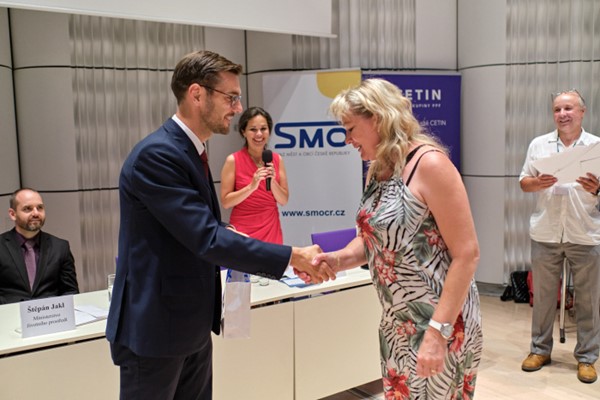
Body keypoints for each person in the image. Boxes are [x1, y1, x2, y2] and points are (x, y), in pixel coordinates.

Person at [105, 50, 335, 400]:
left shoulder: (189, 150)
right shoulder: (158, 155)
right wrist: (292, 256)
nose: (238, 108)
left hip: (189, 325)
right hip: (156, 329)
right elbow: (206, 238)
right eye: (231, 97)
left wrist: (229, 233)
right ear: (197, 94)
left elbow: (195, 227)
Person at [311, 78, 483, 399]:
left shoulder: (430, 164)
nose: (347, 140)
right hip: (397, 323)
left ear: (377, 118)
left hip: (440, 323)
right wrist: (338, 259)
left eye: (351, 129)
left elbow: (467, 254)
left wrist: (437, 333)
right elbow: (376, 240)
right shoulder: (378, 169)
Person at [519, 89, 600, 384]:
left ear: (582, 112)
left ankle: (587, 358)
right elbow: (523, 182)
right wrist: (537, 182)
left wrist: (597, 189)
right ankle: (539, 350)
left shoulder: (596, 146)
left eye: (568, 108)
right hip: (546, 232)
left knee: (588, 300)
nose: (562, 114)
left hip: (585, 232)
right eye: (557, 109)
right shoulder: (538, 144)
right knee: (543, 298)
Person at [220, 106, 288, 244]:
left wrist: (272, 182)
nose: (259, 134)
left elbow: (284, 200)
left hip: (271, 230)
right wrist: (251, 187)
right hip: (243, 231)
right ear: (243, 132)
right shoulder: (233, 160)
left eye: (263, 129)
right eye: (253, 129)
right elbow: (226, 202)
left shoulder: (277, 159)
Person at [0, 188, 79, 304]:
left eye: (40, 208)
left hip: (51, 313)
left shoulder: (60, 247)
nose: (36, 213)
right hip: (9, 314)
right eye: (27, 209)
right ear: (13, 214)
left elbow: (70, 292)